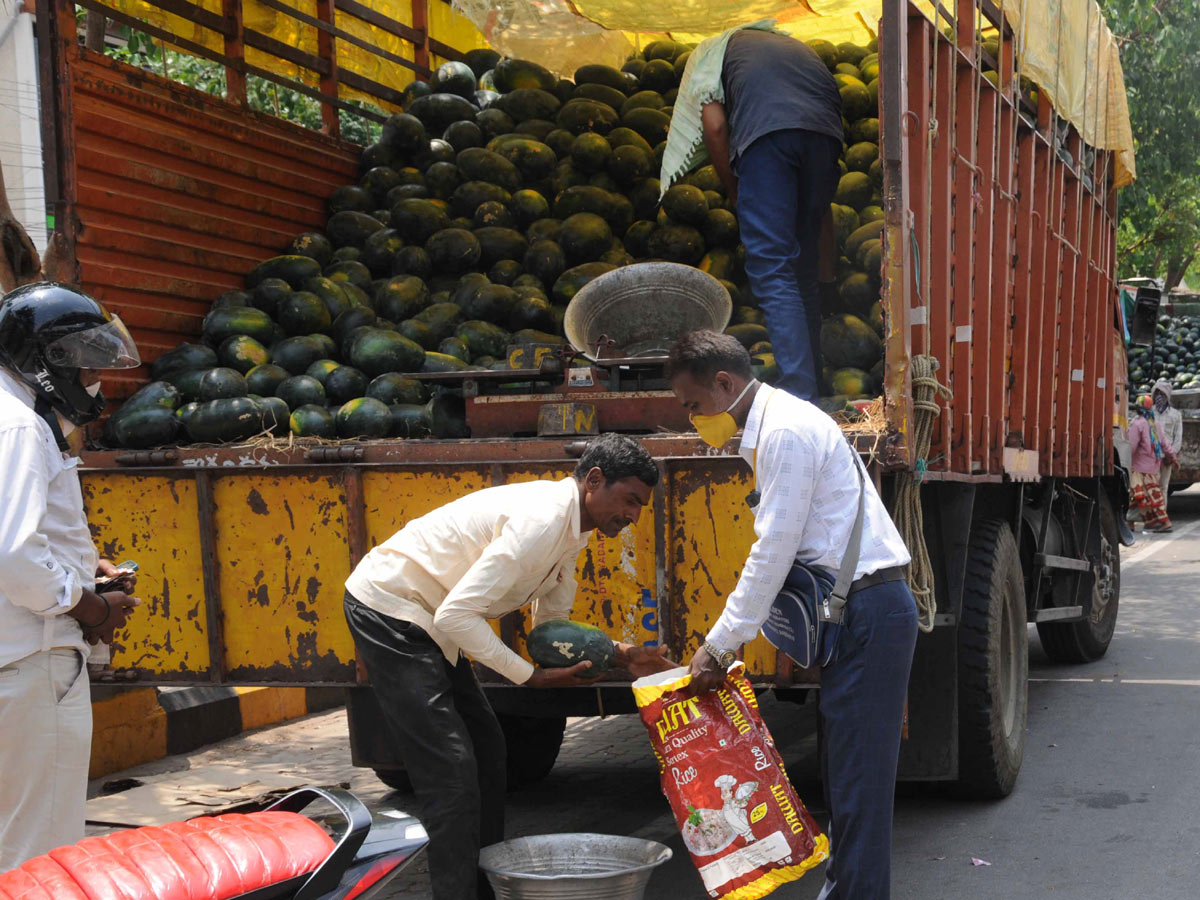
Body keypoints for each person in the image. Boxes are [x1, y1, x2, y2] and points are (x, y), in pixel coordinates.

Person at [342, 433, 672, 900]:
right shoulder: (542, 522)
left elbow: (551, 627)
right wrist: (530, 677)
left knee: (488, 749)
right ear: (595, 480)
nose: (634, 516)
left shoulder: (574, 530)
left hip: (431, 620)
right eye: (630, 500)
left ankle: (482, 886)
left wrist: (622, 654)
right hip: (390, 609)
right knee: (451, 774)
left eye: (641, 507)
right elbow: (456, 615)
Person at [666, 330, 916, 900]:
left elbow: (773, 550)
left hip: (868, 613)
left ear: (725, 384)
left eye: (693, 405)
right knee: (846, 779)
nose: (692, 419)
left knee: (859, 787)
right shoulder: (775, 425)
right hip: (859, 612)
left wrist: (720, 644)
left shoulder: (785, 432)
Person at [0, 282, 143, 870]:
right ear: (47, 363)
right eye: (87, 366)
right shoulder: (19, 428)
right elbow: (13, 556)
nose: (95, 381)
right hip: (31, 666)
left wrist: (87, 565)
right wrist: (91, 607)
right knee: (40, 853)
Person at [661, 22, 843, 402]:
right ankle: (815, 388)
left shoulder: (710, 52)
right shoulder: (793, 46)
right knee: (802, 269)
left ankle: (798, 395)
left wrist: (735, 190)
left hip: (768, 136)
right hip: (826, 137)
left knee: (772, 266)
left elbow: (714, 126)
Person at [1129, 394, 1176, 533]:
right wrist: (1173, 457)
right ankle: (1131, 522)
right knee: (1143, 495)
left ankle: (1165, 522)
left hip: (1138, 468)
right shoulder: (1155, 425)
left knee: (1139, 495)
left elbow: (1131, 446)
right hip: (1152, 467)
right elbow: (1165, 444)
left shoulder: (1138, 424)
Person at [1153, 379, 1183, 501]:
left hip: (1166, 457)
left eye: (1162, 394)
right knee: (1151, 487)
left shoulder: (1175, 415)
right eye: (1157, 393)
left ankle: (1161, 515)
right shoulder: (1149, 412)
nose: (1159, 396)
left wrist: (1171, 455)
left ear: (1168, 396)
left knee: (1163, 487)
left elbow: (1178, 438)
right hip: (1151, 456)